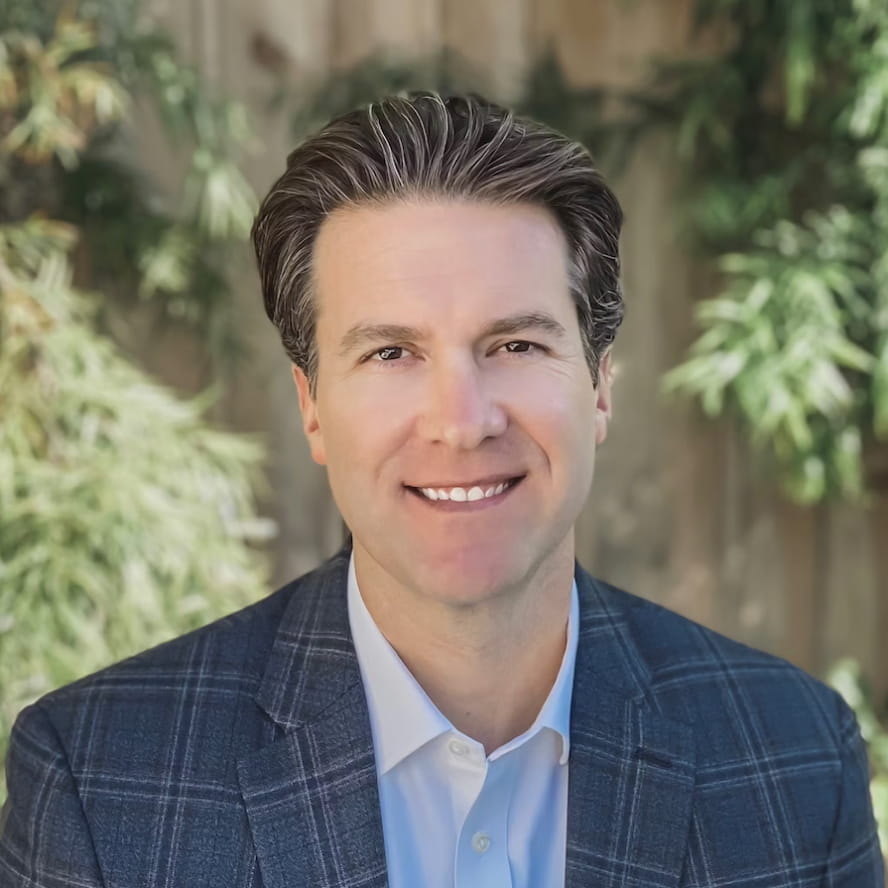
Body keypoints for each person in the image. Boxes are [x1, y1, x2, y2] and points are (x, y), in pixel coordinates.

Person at [0, 92, 883, 888]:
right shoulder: (101, 783)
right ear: (312, 405)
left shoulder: (795, 760)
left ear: (601, 385)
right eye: (392, 353)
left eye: (516, 345)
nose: (461, 422)